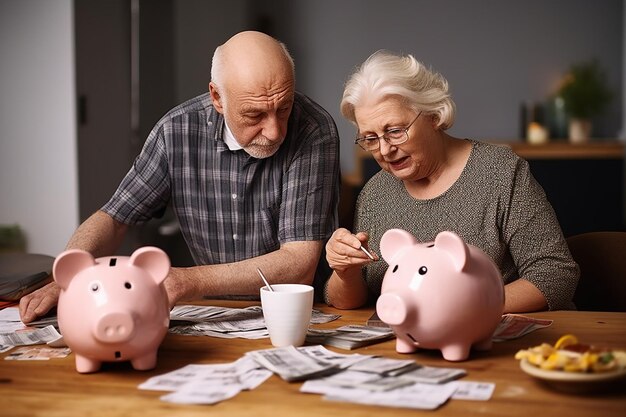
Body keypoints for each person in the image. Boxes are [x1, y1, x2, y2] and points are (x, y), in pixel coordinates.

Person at [20, 31, 340, 323]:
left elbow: (299, 263)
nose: (274, 131)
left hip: (300, 311)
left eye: (283, 108)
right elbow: (115, 217)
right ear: (217, 98)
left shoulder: (313, 130)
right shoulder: (176, 131)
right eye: (254, 115)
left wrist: (189, 281)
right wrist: (65, 276)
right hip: (214, 312)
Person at [324, 50, 579, 313]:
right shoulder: (375, 193)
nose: (385, 149)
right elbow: (351, 301)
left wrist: (462, 310)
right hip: (407, 345)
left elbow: (554, 274)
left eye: (395, 131)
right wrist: (345, 271)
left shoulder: (500, 172)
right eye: (370, 138)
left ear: (434, 115)